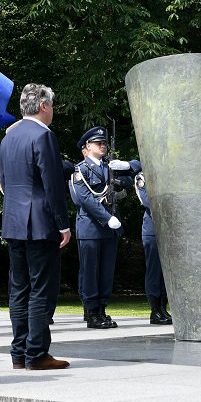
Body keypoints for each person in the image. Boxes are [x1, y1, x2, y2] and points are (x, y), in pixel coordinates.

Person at [0, 83, 71, 371]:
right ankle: (37, 353)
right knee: (42, 289)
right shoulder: (44, 136)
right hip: (40, 222)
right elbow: (52, 185)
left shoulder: (9, 137)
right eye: (51, 105)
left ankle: (19, 352)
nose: (52, 111)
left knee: (19, 289)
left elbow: (4, 177)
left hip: (14, 222)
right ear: (43, 106)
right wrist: (63, 224)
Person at [69, 127, 126, 329]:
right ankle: (91, 312)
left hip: (109, 230)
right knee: (90, 272)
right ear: (87, 147)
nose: (102, 145)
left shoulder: (109, 168)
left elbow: (134, 172)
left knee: (106, 271)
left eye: (103, 143)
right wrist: (107, 217)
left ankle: (102, 309)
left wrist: (128, 164)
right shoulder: (80, 170)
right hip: (90, 229)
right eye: (97, 143)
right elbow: (83, 198)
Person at [132, 162, 172, 325]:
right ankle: (155, 310)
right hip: (153, 229)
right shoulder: (142, 177)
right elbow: (148, 201)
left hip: (168, 230)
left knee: (166, 272)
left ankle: (163, 307)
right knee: (154, 271)